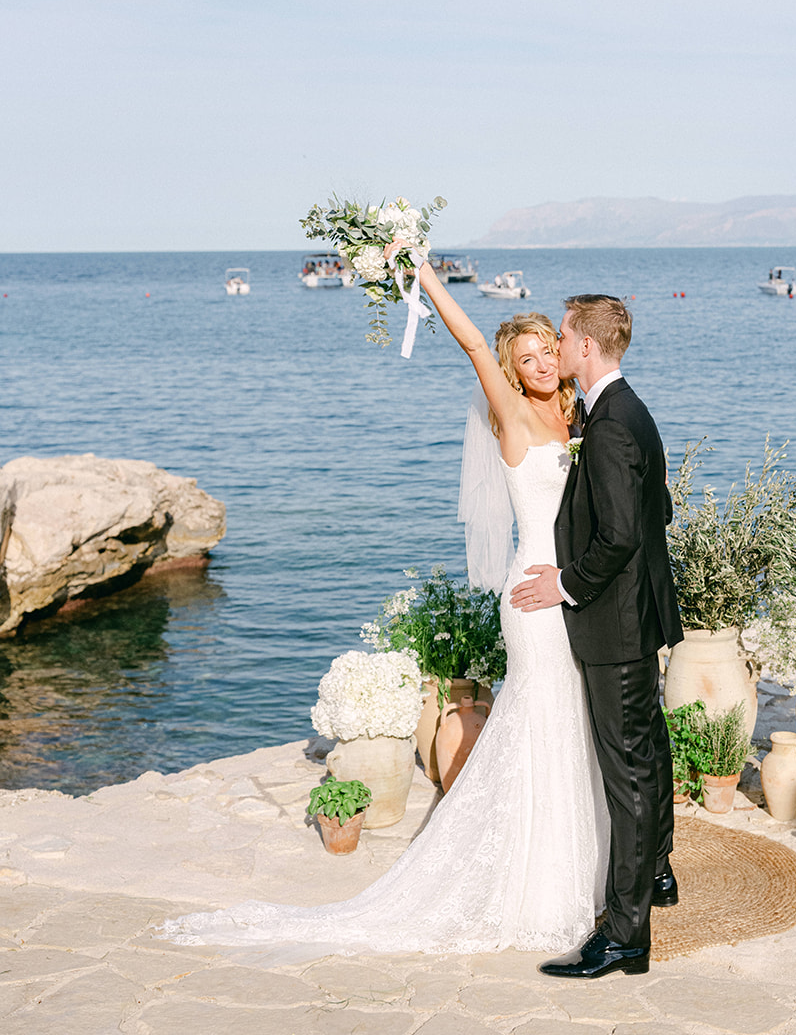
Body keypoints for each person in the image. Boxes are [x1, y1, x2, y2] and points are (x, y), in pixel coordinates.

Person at [161, 253, 610, 957]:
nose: (540, 366)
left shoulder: (576, 412)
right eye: (524, 359)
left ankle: (578, 869)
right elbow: (466, 342)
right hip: (533, 591)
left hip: (571, 586)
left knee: (569, 720)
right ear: (512, 367)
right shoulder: (512, 414)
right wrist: (424, 272)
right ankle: (534, 885)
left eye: (546, 352)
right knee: (539, 715)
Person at [511, 294, 683, 979]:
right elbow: (656, 508)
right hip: (638, 611)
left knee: (627, 771)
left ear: (585, 345)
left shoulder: (609, 425)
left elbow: (615, 535)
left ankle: (624, 934)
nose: (556, 347)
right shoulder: (624, 409)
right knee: (649, 748)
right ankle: (658, 874)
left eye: (561, 336)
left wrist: (565, 582)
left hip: (612, 620)